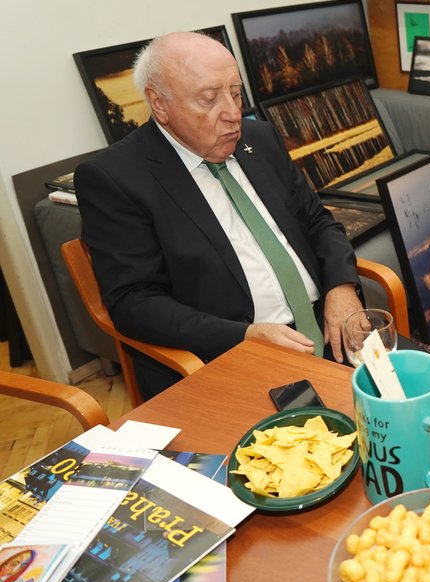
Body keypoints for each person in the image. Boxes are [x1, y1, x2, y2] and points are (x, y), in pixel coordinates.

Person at [75, 32, 411, 399]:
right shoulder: (116, 178)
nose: (233, 114)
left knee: (425, 389)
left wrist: (342, 288)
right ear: (160, 105)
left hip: (327, 322)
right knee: (337, 437)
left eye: (235, 94)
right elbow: (133, 303)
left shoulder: (259, 138)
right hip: (235, 352)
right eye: (209, 99)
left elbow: (318, 220)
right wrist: (244, 337)